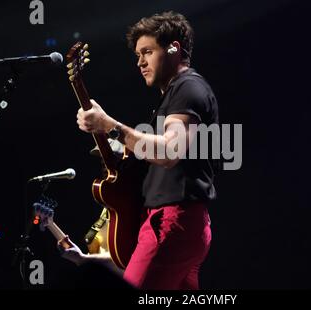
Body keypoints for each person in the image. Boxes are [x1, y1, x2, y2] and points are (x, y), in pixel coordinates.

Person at [59, 11, 219, 290]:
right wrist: (114, 140)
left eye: (147, 52)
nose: (140, 62)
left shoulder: (188, 88)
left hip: (172, 223)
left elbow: (169, 152)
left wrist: (110, 125)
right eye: (137, 55)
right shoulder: (174, 96)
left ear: (174, 49)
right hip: (182, 225)